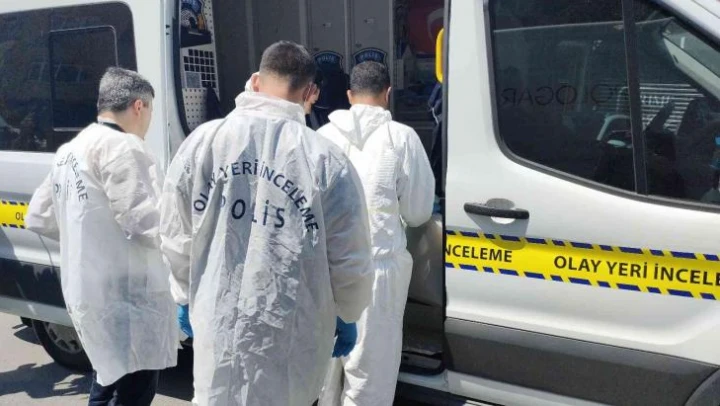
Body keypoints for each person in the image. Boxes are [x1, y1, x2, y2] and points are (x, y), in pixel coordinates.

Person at [159, 41, 374, 406]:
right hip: (291, 338)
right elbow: (350, 258)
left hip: (218, 326)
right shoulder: (326, 160)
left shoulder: (203, 143)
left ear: (256, 81)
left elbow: (176, 234)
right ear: (310, 92)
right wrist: (348, 312)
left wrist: (183, 294)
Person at [25, 67, 178, 406]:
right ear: (139, 106)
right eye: (150, 110)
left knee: (106, 380)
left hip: (89, 291)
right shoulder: (123, 147)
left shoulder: (72, 149)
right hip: (129, 297)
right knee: (131, 392)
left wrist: (86, 240)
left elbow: (38, 215)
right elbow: (146, 223)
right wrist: (187, 254)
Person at [317, 61, 435, 406]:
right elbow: (418, 212)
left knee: (323, 371)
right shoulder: (401, 138)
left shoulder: (321, 137)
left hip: (324, 269)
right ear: (388, 94)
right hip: (377, 273)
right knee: (369, 375)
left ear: (349, 95)